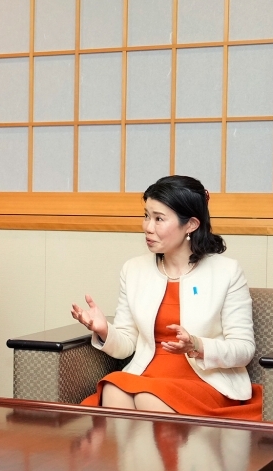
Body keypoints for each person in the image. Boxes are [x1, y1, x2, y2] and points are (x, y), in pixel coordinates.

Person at [71, 175, 262, 419]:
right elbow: (127, 344)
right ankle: (136, 458)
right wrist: (105, 330)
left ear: (191, 225)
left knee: (148, 397)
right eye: (146, 216)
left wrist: (197, 345)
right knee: (113, 388)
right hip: (148, 375)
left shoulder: (227, 272)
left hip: (204, 381)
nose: (147, 227)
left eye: (159, 219)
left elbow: (244, 349)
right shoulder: (134, 270)